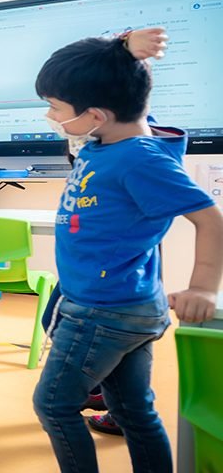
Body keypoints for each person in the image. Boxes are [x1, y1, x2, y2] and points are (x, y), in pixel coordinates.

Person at [32, 27, 222, 472]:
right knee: (133, 411)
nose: (50, 116)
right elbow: (122, 87)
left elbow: (210, 218)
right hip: (119, 304)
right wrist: (123, 47)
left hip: (104, 311)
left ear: (96, 114)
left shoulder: (142, 157)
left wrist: (202, 288)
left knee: (55, 406)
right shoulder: (105, 142)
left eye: (54, 108)